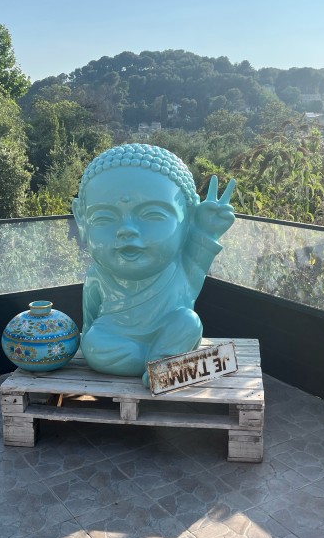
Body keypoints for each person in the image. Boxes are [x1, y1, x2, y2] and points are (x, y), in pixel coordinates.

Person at [72, 144, 235, 386]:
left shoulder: (179, 266)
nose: (126, 230)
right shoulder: (97, 274)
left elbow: (199, 262)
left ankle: (161, 362)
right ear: (82, 221)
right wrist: (88, 342)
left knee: (188, 322)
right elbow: (89, 320)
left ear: (187, 219)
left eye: (153, 215)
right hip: (114, 337)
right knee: (95, 343)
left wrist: (205, 231)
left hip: (166, 332)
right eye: (104, 218)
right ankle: (166, 367)